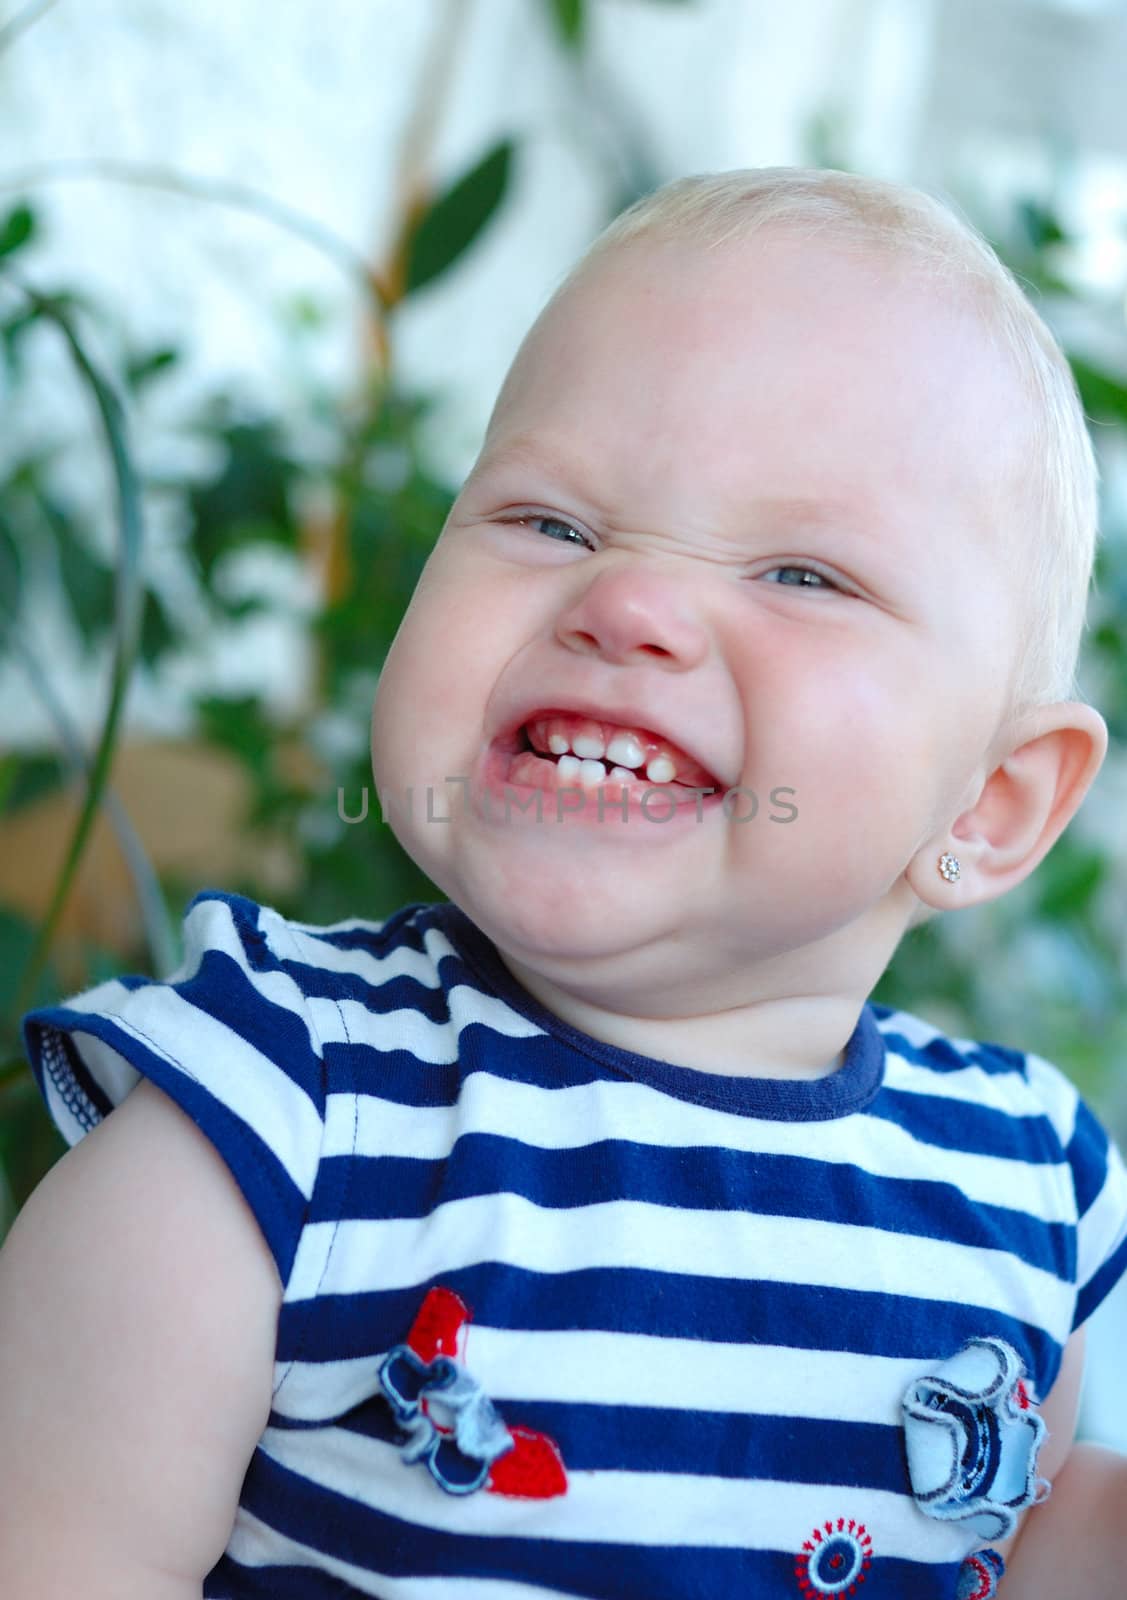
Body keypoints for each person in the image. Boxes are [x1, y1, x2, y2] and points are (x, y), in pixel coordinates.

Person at [2, 166, 1126, 1600]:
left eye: (800, 575)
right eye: (553, 524)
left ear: (988, 802)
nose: (630, 603)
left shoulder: (1032, 1184)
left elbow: (1022, 1543)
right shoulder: (277, 1113)